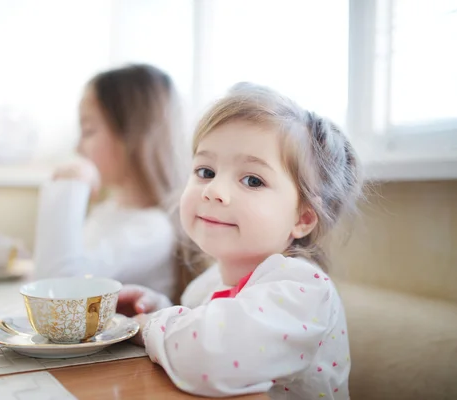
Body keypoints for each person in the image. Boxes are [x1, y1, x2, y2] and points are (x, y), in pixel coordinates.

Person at [118, 83, 363, 398]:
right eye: (205, 171)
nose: (213, 191)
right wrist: (159, 307)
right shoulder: (205, 286)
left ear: (302, 219)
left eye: (252, 180)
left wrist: (147, 325)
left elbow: (212, 355)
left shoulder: (304, 291)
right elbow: (203, 331)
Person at [33, 64, 188, 300]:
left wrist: (70, 185)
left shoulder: (152, 229)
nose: (77, 147)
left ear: (131, 135)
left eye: (88, 130)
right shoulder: (109, 211)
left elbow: (56, 288)